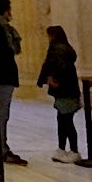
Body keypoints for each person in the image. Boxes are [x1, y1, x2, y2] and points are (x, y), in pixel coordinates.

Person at [37, 25, 82, 163]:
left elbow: (53, 65)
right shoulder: (66, 49)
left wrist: (50, 78)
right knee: (63, 120)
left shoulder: (57, 49)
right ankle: (62, 149)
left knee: (66, 121)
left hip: (64, 89)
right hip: (68, 89)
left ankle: (73, 151)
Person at [0, 0, 26, 165]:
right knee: (1, 114)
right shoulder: (2, 29)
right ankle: (1, 149)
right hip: (3, 76)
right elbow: (11, 50)